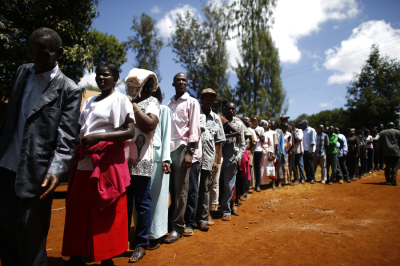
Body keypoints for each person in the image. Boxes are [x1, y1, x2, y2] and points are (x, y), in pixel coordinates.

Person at [0, 28, 82, 266]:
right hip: (5, 168)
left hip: (36, 177)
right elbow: (9, 120)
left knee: (31, 242)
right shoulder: (22, 72)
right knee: (5, 239)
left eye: (43, 53)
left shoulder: (69, 89)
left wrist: (56, 170)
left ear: (59, 52)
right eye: (32, 50)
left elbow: (67, 136)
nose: (36, 56)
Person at [62, 63, 135, 265]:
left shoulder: (120, 99)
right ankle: (77, 253)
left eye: (106, 75)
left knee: (106, 210)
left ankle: (107, 256)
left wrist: (99, 137)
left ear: (115, 78)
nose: (101, 78)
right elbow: (80, 127)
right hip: (85, 160)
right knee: (77, 208)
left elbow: (130, 131)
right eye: (99, 75)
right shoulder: (90, 101)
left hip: (107, 162)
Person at [124, 68, 160, 262]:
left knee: (142, 201)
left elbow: (150, 124)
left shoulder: (152, 102)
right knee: (124, 202)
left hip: (141, 159)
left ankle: (141, 243)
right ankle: (122, 241)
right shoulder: (124, 101)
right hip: (122, 159)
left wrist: (135, 107)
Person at [165, 73, 200, 243]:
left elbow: (194, 129)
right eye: (177, 79)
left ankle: (177, 227)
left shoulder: (192, 102)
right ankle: (164, 223)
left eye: (183, 80)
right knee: (169, 189)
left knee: (181, 190)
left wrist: (190, 153)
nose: (180, 82)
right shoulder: (169, 103)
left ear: (187, 84)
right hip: (166, 149)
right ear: (173, 83)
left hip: (182, 148)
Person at [194, 89, 225, 232]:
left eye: (211, 98)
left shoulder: (217, 118)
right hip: (193, 157)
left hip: (208, 158)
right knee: (191, 189)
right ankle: (189, 218)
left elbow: (219, 141)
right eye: (206, 97)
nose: (208, 100)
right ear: (201, 98)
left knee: (205, 189)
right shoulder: (195, 113)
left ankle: (202, 218)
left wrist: (215, 161)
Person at [148, 87, 171, 250]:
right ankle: (143, 233)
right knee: (142, 198)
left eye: (153, 93)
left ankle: (157, 234)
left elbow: (166, 134)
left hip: (158, 158)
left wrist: (165, 158)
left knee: (159, 197)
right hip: (140, 158)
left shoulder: (163, 109)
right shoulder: (139, 109)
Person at [183, 89, 203, 237]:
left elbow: (196, 132)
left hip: (193, 156)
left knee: (192, 190)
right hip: (178, 155)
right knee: (178, 191)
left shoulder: (200, 116)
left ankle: (189, 222)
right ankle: (177, 220)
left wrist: (190, 152)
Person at [219, 102, 245, 221]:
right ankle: (214, 208)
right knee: (216, 185)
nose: (230, 110)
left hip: (231, 157)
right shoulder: (219, 120)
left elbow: (242, 144)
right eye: (228, 108)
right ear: (224, 110)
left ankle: (226, 210)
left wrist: (237, 157)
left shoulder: (239, 124)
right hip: (218, 155)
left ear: (235, 111)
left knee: (228, 186)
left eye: (233, 109)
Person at [250, 115, 265, 192]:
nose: (254, 122)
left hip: (258, 150)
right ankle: (251, 185)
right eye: (253, 121)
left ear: (258, 121)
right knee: (250, 168)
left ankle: (258, 185)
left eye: (256, 121)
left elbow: (263, 140)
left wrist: (258, 134)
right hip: (250, 151)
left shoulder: (260, 129)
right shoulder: (248, 129)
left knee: (257, 167)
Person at [259, 120, 274, 187]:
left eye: (265, 125)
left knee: (264, 167)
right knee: (259, 167)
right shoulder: (258, 132)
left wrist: (271, 155)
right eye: (262, 125)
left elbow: (271, 145)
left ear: (267, 126)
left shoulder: (269, 134)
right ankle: (259, 183)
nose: (263, 126)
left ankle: (265, 183)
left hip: (266, 152)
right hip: (258, 151)